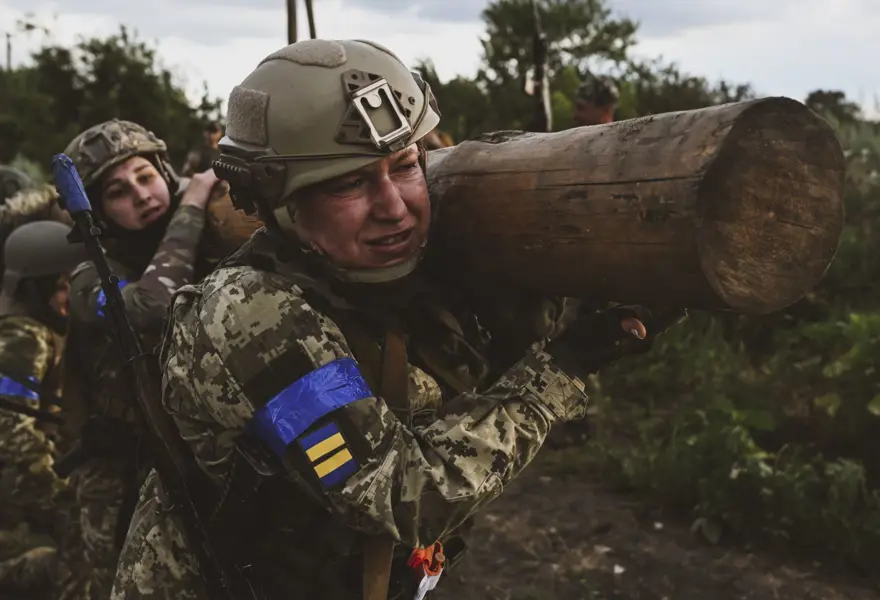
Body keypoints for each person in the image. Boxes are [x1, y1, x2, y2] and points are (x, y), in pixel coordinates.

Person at [111, 39, 676, 599]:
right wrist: (566, 369)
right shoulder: (249, 313)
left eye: (405, 165)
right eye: (348, 183)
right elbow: (406, 495)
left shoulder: (390, 274)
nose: (395, 206)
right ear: (277, 200)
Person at [59, 119, 218, 600]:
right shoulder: (90, 276)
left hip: (201, 451)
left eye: (145, 176)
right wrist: (191, 204)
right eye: (117, 190)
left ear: (164, 171)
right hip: (119, 464)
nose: (141, 194)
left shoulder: (217, 232)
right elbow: (149, 308)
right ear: (99, 212)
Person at [0, 220, 88, 598]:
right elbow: (12, 427)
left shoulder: (45, 329)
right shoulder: (23, 336)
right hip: (22, 492)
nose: (71, 297)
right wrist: (61, 495)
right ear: (35, 289)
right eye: (62, 288)